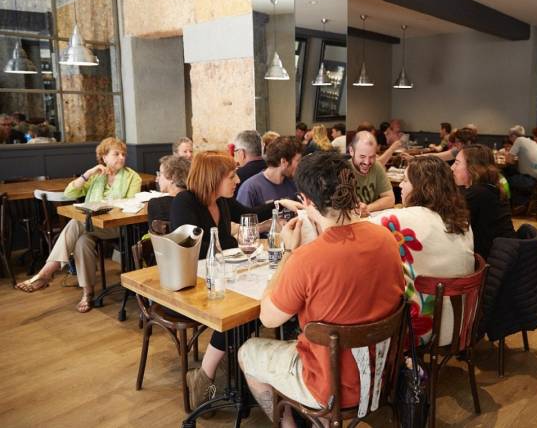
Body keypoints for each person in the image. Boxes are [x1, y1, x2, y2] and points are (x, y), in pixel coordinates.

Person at [238, 151, 405, 425]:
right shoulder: (386, 239)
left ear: (305, 201)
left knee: (248, 351)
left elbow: (268, 318)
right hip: (379, 374)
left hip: (328, 386)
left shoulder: (306, 258)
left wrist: (289, 252)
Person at [173, 151, 295, 409]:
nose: (238, 180)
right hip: (195, 282)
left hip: (225, 277)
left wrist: (282, 203)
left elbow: (251, 213)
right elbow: (189, 248)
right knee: (242, 314)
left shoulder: (223, 201)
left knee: (254, 310)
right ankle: (205, 376)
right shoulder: (186, 201)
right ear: (213, 179)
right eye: (231, 176)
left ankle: (218, 371)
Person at [15, 138, 141, 312]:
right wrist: (87, 174)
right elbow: (69, 192)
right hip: (92, 226)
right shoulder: (96, 175)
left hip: (118, 226)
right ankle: (87, 293)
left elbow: (129, 206)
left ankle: (47, 272)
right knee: (82, 241)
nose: (121, 157)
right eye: (116, 154)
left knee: (76, 223)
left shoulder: (132, 177)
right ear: (103, 157)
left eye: (123, 154)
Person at [370, 155, 474, 345]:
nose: (401, 185)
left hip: (425, 327)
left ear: (422, 187)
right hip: (460, 321)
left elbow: (357, 230)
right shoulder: (461, 219)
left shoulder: (403, 219)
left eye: (406, 180)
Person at [452, 145, 516, 258]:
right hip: (505, 256)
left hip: (494, 263)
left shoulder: (478, 194)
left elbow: (446, 222)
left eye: (457, 163)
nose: (452, 168)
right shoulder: (489, 188)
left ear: (473, 167)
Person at [237, 136, 302, 208]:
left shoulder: (294, 183)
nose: (300, 165)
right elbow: (243, 218)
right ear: (283, 162)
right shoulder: (250, 189)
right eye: (298, 160)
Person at [348, 131, 394, 215]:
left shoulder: (377, 166)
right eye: (362, 156)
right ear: (351, 151)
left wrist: (367, 208)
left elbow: (390, 199)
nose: (367, 162)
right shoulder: (344, 170)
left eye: (372, 156)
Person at [506, 125, 537, 211]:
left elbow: (509, 160)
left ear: (513, 136)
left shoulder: (519, 140)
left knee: (504, 180)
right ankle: (523, 203)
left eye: (509, 136)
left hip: (530, 180)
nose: (509, 139)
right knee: (514, 175)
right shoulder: (533, 142)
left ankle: (518, 204)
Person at [148, 155, 190, 225]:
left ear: (171, 177)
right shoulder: (196, 198)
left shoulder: (156, 204)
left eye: (160, 174)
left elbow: (156, 234)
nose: (157, 178)